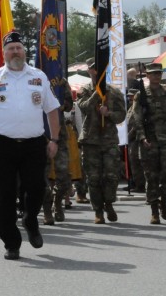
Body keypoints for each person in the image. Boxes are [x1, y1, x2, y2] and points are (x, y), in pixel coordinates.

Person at [0, 30, 60, 261]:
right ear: (4, 53)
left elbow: (52, 110)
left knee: (37, 189)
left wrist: (55, 139)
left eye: (19, 47)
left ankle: (30, 220)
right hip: (1, 145)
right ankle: (11, 242)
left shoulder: (39, 76)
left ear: (24, 51)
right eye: (11, 48)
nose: (15, 51)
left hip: (34, 144)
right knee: (4, 196)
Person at [77, 58, 126, 225]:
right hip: (90, 140)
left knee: (111, 176)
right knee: (94, 178)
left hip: (109, 140)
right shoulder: (84, 90)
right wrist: (96, 94)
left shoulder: (114, 92)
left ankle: (109, 203)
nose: (96, 71)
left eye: (99, 68)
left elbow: (122, 115)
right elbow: (83, 107)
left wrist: (109, 114)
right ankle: (98, 210)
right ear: (89, 71)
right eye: (93, 69)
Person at [130, 62, 166, 224]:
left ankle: (163, 201)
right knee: (151, 176)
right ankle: (154, 210)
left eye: (159, 73)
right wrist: (143, 138)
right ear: (147, 76)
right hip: (149, 140)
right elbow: (137, 119)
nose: (156, 76)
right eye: (153, 74)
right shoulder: (140, 95)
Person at [43, 77, 73, 225]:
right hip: (40, 136)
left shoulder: (59, 80)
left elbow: (69, 105)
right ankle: (47, 208)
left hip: (59, 136)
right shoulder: (32, 81)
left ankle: (58, 202)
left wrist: (58, 105)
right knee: (41, 176)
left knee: (64, 175)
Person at [126, 88, 145, 192]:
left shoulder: (138, 107)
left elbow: (135, 125)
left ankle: (140, 185)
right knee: (132, 162)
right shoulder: (130, 107)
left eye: (131, 96)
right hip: (131, 140)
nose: (129, 98)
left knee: (137, 162)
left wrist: (128, 136)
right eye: (129, 96)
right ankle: (135, 183)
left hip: (136, 138)